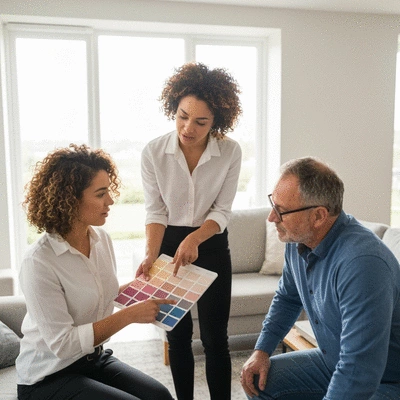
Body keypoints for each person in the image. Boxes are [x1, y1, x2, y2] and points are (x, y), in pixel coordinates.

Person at [16, 144, 175, 400]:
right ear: (69, 200)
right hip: (48, 376)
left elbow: (103, 295)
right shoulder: (39, 262)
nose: (110, 201)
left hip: (92, 360)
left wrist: (145, 285)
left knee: (159, 395)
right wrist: (131, 316)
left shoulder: (101, 239)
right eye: (101, 194)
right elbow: (64, 345)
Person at [240, 157, 400, 400]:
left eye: (281, 211)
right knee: (258, 380)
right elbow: (287, 298)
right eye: (273, 203)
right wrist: (262, 350)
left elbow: (358, 370)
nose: (271, 217)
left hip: (387, 379)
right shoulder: (297, 241)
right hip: (334, 360)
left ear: (318, 216)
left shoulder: (363, 264)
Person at [137, 62, 242, 399]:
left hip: (210, 244)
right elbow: (156, 211)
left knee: (215, 339)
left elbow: (222, 210)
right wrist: (151, 257)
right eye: (182, 116)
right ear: (174, 107)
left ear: (217, 122)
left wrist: (195, 238)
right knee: (177, 336)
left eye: (200, 122)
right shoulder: (154, 152)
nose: (188, 127)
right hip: (168, 246)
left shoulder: (230, 151)